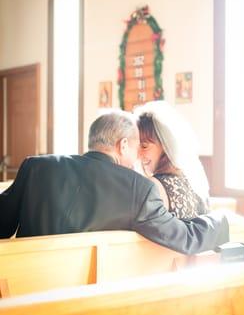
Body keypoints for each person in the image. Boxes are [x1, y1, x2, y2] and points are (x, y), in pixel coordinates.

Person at [0, 109, 229, 254]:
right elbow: (185, 239)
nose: (137, 157)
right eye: (137, 146)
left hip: (25, 290)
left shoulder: (36, 167)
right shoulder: (139, 190)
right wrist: (219, 220)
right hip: (89, 300)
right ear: (123, 145)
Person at [135, 101, 210, 219]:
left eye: (144, 146)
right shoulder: (190, 181)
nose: (138, 155)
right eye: (136, 147)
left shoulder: (153, 186)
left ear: (165, 146)